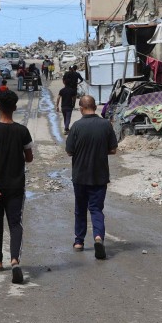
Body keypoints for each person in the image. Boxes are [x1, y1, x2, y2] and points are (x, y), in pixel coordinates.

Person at [0, 91, 34, 284]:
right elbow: (29, 157)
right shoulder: (22, 131)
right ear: (15, 108)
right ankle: (15, 260)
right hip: (16, 185)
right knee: (15, 223)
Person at [65, 95, 118, 260]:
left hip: (80, 175)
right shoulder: (106, 124)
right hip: (99, 175)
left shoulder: (76, 126)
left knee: (80, 209)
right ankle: (98, 237)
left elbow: (69, 151)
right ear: (95, 107)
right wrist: (101, 150)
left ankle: (79, 242)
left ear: (81, 108)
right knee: (96, 209)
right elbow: (113, 149)